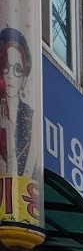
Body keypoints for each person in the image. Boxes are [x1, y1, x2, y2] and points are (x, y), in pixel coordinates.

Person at [0, 29, 35, 179]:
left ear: (24, 78)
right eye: (5, 67)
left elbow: (24, 177)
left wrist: (8, 131)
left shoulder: (30, 118)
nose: (10, 75)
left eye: (18, 70)